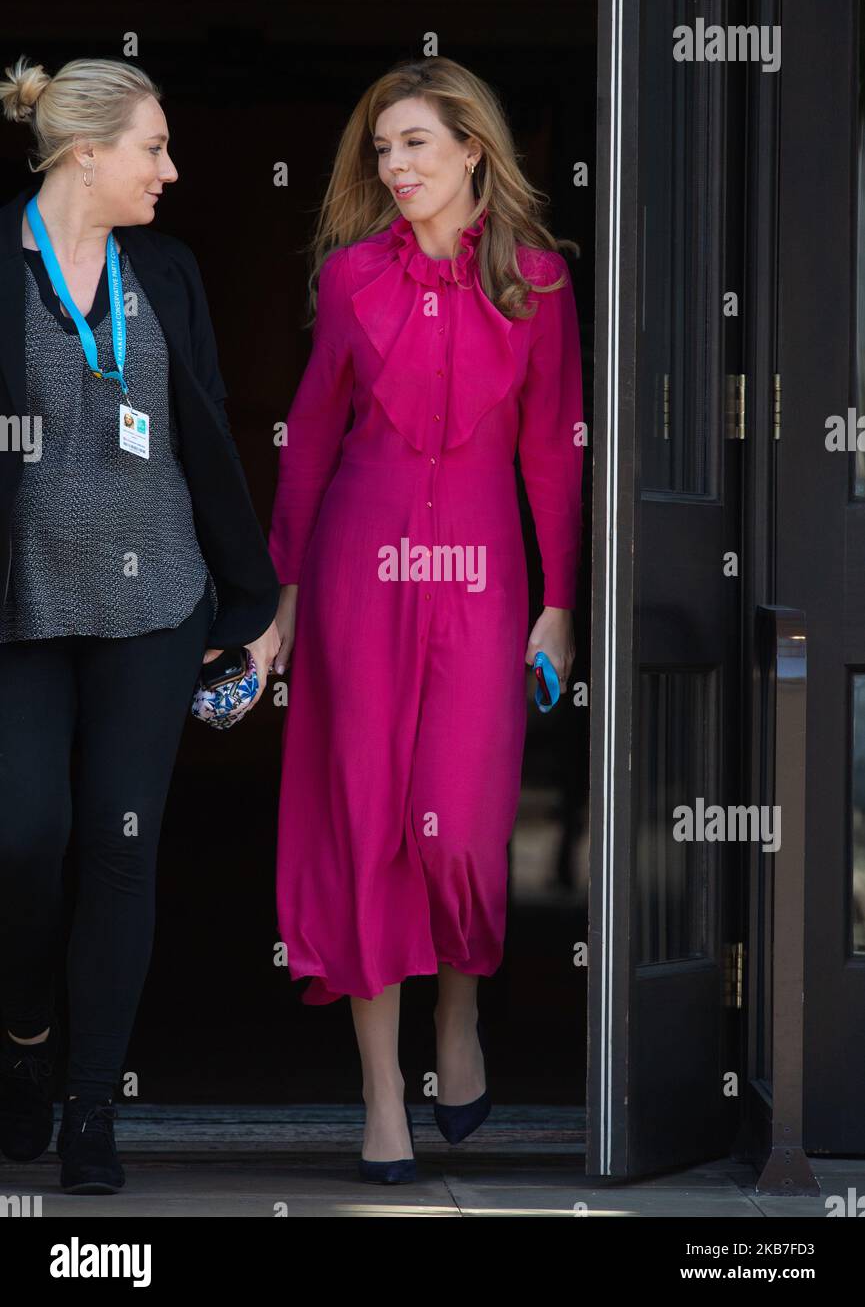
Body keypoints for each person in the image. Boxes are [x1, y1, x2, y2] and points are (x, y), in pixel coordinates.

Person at [268, 57, 584, 1182]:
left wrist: (557, 605)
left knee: (457, 824)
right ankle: (381, 1094)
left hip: (484, 577)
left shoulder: (539, 286)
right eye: (382, 148)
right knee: (366, 822)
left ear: (472, 152)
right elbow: (309, 439)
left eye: (413, 144)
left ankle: (461, 1013)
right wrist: (282, 603)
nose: (393, 166)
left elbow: (553, 448)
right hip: (360, 566)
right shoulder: (352, 275)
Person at [0, 57, 281, 1193]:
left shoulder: (163, 268)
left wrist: (249, 602)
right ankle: (25, 1040)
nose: (171, 169)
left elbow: (202, 431)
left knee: (120, 850)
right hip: (20, 612)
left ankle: (88, 1113)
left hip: (155, 602)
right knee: (25, 838)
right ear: (85, 155)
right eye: (152, 148)